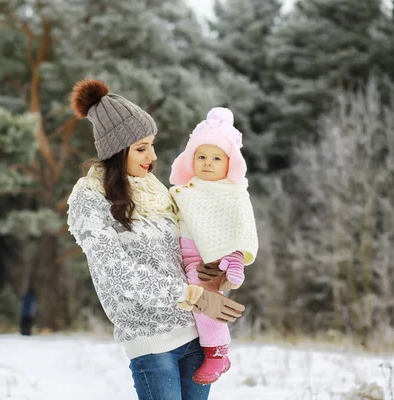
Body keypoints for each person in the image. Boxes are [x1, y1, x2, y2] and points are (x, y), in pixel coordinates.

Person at [66, 78, 246, 400]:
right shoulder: (89, 199)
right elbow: (117, 272)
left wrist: (216, 271)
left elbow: (185, 250)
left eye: (152, 144)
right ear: (117, 151)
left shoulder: (157, 191)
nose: (153, 155)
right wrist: (194, 295)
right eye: (141, 148)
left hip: (195, 336)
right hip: (152, 342)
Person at [168, 107, 259, 385]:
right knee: (186, 294)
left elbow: (241, 226)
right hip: (183, 254)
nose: (208, 163)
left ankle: (217, 352)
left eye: (216, 158)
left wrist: (235, 255)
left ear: (229, 163)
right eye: (201, 156)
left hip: (210, 258)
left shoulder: (233, 191)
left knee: (203, 294)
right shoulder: (185, 190)